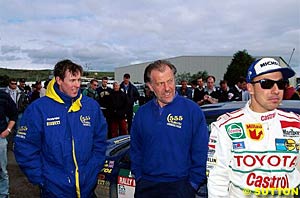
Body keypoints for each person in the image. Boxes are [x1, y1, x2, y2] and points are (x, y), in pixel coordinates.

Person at [14, 59, 107, 197]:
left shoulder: (91, 106)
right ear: (59, 80)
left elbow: (100, 140)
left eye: (79, 80)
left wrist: (93, 168)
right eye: (72, 80)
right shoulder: (38, 109)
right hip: (54, 190)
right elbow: (25, 147)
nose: (77, 85)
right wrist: (41, 179)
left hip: (87, 187)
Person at [208, 57, 300, 197]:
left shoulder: (296, 124)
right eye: (267, 83)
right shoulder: (225, 126)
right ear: (250, 88)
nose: (276, 90)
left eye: (281, 84)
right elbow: (217, 181)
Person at [131, 60, 209, 198]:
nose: (167, 88)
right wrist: (139, 177)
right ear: (150, 86)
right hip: (146, 186)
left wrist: (192, 184)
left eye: (170, 81)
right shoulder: (142, 113)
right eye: (160, 83)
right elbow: (136, 149)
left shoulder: (192, 111)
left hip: (181, 186)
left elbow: (201, 151)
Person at [0, 90, 18, 198]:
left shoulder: (2, 95)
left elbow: (14, 113)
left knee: (2, 170)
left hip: (0, 139)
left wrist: (8, 130)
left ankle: (3, 194)